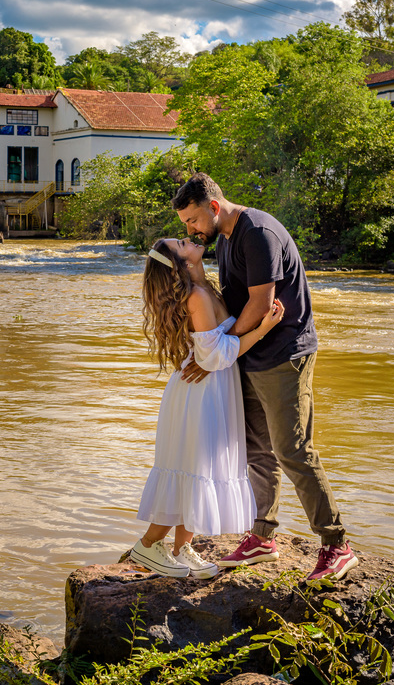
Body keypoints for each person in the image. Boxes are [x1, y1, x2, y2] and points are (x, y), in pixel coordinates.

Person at [171, 173, 359, 583]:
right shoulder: (224, 239)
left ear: (214, 208)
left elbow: (260, 304)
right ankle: (262, 537)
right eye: (186, 224)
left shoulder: (257, 232)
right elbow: (236, 303)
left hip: (284, 353)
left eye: (193, 220)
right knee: (257, 450)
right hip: (252, 354)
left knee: (293, 449)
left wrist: (217, 352)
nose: (190, 230)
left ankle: (336, 545)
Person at [128, 236, 286, 578]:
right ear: (181, 263)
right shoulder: (197, 297)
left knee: (199, 472)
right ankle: (148, 545)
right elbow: (213, 357)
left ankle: (181, 548)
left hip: (211, 388)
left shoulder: (204, 288)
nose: (187, 237)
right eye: (180, 243)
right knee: (190, 468)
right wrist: (263, 329)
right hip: (199, 392)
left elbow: (216, 346)